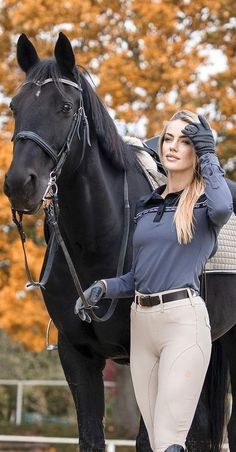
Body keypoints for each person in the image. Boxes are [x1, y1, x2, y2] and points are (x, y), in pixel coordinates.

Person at [75, 111, 233, 452]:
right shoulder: (147, 207)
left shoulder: (205, 205)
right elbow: (138, 277)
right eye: (168, 139)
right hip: (141, 326)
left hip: (183, 323)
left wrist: (209, 155)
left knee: (168, 441)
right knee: (154, 441)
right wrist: (104, 287)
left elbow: (224, 207)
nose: (174, 146)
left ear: (197, 150)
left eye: (186, 141)